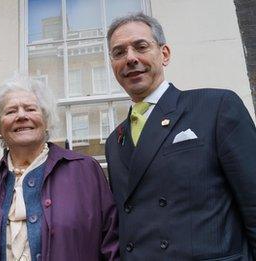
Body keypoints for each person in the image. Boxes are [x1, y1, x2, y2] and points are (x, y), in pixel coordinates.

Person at [105, 13, 256, 260]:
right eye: (119, 53)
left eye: (141, 47)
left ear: (164, 54)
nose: (130, 58)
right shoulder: (114, 141)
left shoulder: (216, 106)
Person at [0, 75, 119, 261]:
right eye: (10, 111)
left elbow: (111, 245)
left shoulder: (85, 172)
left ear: (46, 119)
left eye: (30, 109)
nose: (21, 116)